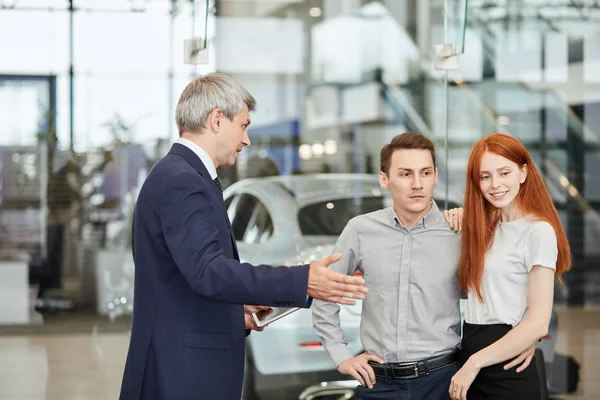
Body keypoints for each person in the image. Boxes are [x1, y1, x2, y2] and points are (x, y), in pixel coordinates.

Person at [118, 73, 367, 400]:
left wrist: (232, 311)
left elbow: (179, 280)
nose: (247, 139)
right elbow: (209, 272)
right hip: (183, 372)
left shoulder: (179, 174)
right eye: (244, 125)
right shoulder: (184, 181)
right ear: (217, 119)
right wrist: (303, 280)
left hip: (180, 362)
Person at [312, 132, 536, 400]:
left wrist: (527, 335)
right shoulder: (360, 230)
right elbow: (324, 293)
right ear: (385, 179)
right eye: (406, 174)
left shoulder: (461, 231)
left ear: (436, 176)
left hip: (444, 382)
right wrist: (341, 356)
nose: (417, 184)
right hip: (378, 385)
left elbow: (507, 286)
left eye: (425, 173)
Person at [448, 133, 571, 400]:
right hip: (470, 351)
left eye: (504, 173)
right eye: (485, 176)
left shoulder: (538, 232)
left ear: (523, 173)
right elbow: (468, 290)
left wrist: (474, 363)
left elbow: (538, 323)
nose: (495, 185)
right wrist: (459, 217)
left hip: (504, 366)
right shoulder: (484, 227)